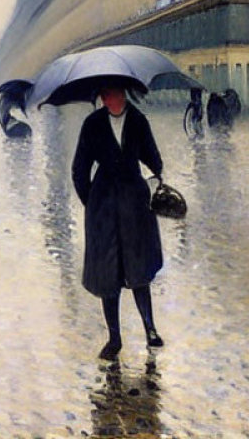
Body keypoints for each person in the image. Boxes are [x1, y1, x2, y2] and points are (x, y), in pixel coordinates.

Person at [71, 85, 165, 360]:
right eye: (108, 95)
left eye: (118, 93)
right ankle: (114, 339)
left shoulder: (138, 120)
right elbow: (79, 168)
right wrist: (92, 203)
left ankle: (150, 329)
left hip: (135, 204)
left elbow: (154, 159)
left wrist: (153, 178)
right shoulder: (92, 124)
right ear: (102, 97)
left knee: (139, 271)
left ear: (124, 94)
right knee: (107, 276)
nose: (114, 99)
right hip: (104, 207)